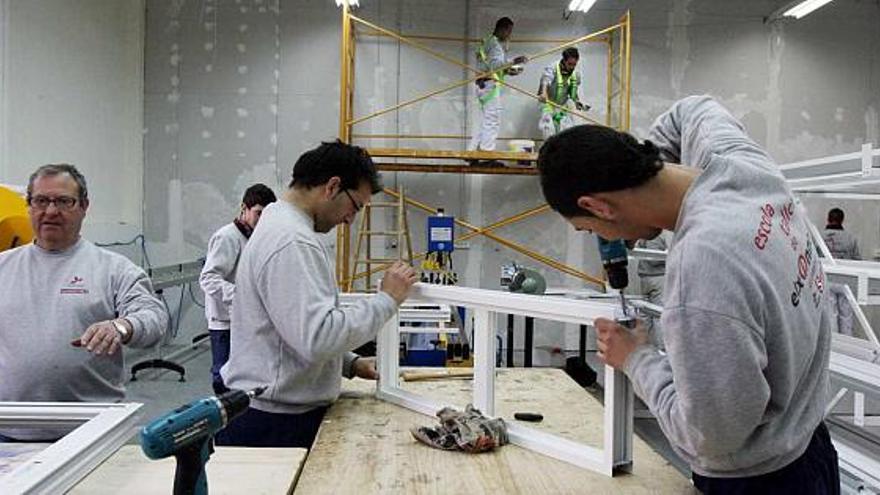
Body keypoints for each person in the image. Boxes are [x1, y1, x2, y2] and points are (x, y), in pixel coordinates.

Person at [538, 96, 838, 494]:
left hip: (763, 480)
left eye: (588, 228)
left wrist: (636, 358)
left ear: (597, 206)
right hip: (811, 441)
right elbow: (693, 108)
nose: (604, 240)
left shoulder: (704, 269)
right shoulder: (739, 162)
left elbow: (710, 438)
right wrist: (638, 173)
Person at [216, 141, 418, 448]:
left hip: (268, 411)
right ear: (333, 186)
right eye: (356, 206)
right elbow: (317, 337)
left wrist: (347, 363)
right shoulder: (293, 241)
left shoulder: (278, 224)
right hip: (275, 424)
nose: (351, 220)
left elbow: (288, 328)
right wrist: (386, 299)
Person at [0, 164, 169, 441]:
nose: (51, 211)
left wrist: (122, 326)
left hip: (91, 432)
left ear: (84, 206)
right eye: (41, 200)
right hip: (9, 431)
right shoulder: (4, 267)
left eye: (64, 201)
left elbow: (154, 317)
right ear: (29, 206)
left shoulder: (113, 269)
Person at [199, 183, 277, 394]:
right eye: (258, 213)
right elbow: (208, 278)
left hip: (246, 321)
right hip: (224, 323)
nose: (262, 220)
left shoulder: (254, 238)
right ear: (244, 208)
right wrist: (242, 297)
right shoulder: (227, 237)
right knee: (223, 378)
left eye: (266, 215)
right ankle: (226, 423)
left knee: (244, 377)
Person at [468, 17, 528, 161]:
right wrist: (514, 62)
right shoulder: (495, 45)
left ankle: (472, 152)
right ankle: (487, 154)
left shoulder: (486, 41)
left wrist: (508, 71)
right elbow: (496, 65)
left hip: (481, 84)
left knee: (481, 120)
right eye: (509, 31)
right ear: (503, 29)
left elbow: (488, 66)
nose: (509, 35)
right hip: (489, 86)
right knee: (492, 118)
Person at [822, 207, 861, 337]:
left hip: (827, 280)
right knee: (847, 315)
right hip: (846, 281)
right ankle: (848, 345)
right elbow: (858, 261)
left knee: (831, 315)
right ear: (842, 220)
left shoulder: (819, 237)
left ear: (828, 218)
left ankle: (835, 349)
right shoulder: (851, 238)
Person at [538, 47, 590, 140]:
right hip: (548, 103)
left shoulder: (576, 74)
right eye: (569, 64)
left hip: (562, 106)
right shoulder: (552, 67)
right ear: (564, 60)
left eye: (574, 64)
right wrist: (543, 93)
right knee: (548, 130)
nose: (572, 67)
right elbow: (545, 81)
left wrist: (578, 102)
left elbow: (573, 92)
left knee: (566, 131)